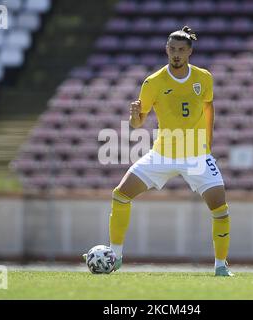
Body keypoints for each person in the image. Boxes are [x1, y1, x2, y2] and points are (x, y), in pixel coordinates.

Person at [87, 26, 233, 276]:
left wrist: (207, 143)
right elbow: (138, 122)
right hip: (162, 154)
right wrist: (134, 117)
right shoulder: (153, 82)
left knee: (220, 209)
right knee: (121, 194)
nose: (176, 54)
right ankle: (116, 257)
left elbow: (209, 109)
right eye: (172, 49)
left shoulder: (204, 78)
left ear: (190, 52)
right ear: (166, 50)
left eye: (181, 50)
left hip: (197, 155)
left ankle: (221, 266)